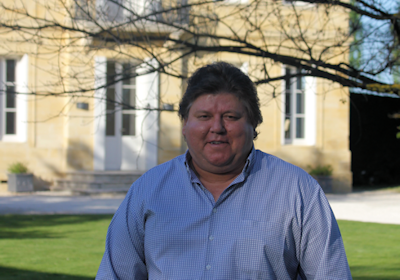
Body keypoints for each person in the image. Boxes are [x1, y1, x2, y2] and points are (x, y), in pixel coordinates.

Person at [96, 62, 352, 280]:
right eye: (204, 116)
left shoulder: (297, 191)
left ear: (253, 124)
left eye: (230, 116)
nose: (217, 127)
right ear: (185, 125)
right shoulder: (148, 190)